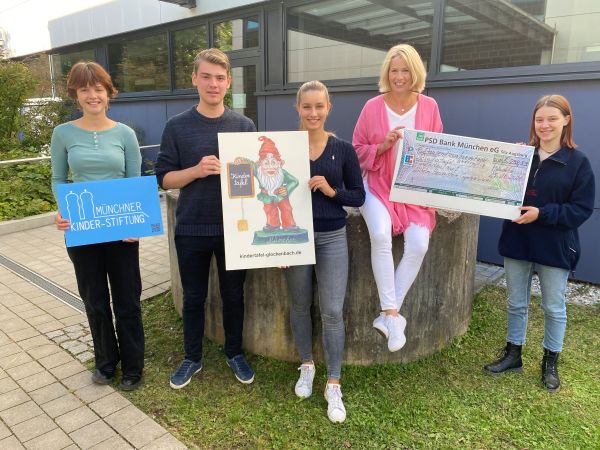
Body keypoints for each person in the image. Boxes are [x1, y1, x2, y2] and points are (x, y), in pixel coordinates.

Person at [154, 48, 257, 389]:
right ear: (195, 79)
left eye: (220, 78)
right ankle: (192, 357)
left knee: (233, 296)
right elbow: (164, 179)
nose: (213, 84)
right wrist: (196, 171)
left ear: (228, 82)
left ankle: (234, 353)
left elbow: (253, 181)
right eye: (206, 77)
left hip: (235, 230)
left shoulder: (244, 126)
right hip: (192, 227)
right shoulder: (177, 126)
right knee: (194, 297)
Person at [484, 94, 595, 392]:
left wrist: (542, 214)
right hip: (518, 241)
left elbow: (581, 209)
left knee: (554, 307)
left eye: (552, 119)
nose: (544, 125)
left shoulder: (578, 163)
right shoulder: (521, 156)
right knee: (515, 302)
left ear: (566, 121)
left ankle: (550, 361)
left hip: (555, 246)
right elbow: (496, 190)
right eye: (539, 119)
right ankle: (513, 354)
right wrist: (508, 163)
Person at [51, 61, 144, 391]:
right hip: (83, 230)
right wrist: (61, 212)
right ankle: (106, 362)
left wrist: (137, 223)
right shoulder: (63, 133)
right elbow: (59, 178)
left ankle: (133, 365)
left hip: (122, 232)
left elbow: (134, 182)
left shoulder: (125, 134)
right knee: (94, 300)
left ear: (109, 92)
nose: (92, 95)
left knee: (128, 301)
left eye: (98, 88)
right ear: (75, 94)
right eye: (84, 88)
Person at [352, 44, 443, 352]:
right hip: (376, 185)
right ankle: (393, 315)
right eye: (394, 70)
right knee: (380, 234)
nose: (400, 76)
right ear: (387, 73)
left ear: (414, 72)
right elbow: (356, 150)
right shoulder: (372, 106)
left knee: (419, 243)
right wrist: (382, 145)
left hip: (412, 190)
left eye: (405, 70)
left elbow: (437, 150)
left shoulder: (429, 106)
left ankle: (388, 314)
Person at [284, 80, 365, 423]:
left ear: (328, 107)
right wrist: (274, 249)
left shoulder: (343, 149)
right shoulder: (285, 147)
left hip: (332, 236)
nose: (313, 113)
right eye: (307, 106)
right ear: (298, 109)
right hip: (295, 238)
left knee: (332, 310)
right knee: (300, 305)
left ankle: (333, 381)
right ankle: (306, 365)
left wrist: (332, 192)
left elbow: (358, 196)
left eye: (319, 106)